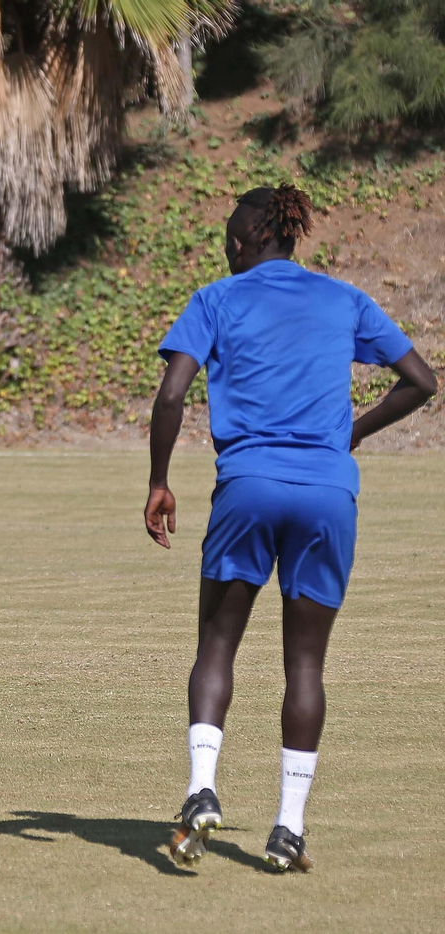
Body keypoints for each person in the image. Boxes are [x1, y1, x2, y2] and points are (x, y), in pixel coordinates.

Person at [145, 185, 436, 871]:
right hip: (328, 494)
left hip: (248, 487)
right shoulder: (343, 299)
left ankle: (201, 790)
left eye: (227, 234)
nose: (225, 244)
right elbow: (421, 380)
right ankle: (288, 829)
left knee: (218, 642)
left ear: (246, 239)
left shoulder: (217, 298)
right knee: (305, 663)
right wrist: (349, 434)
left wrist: (159, 481)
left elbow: (172, 394)